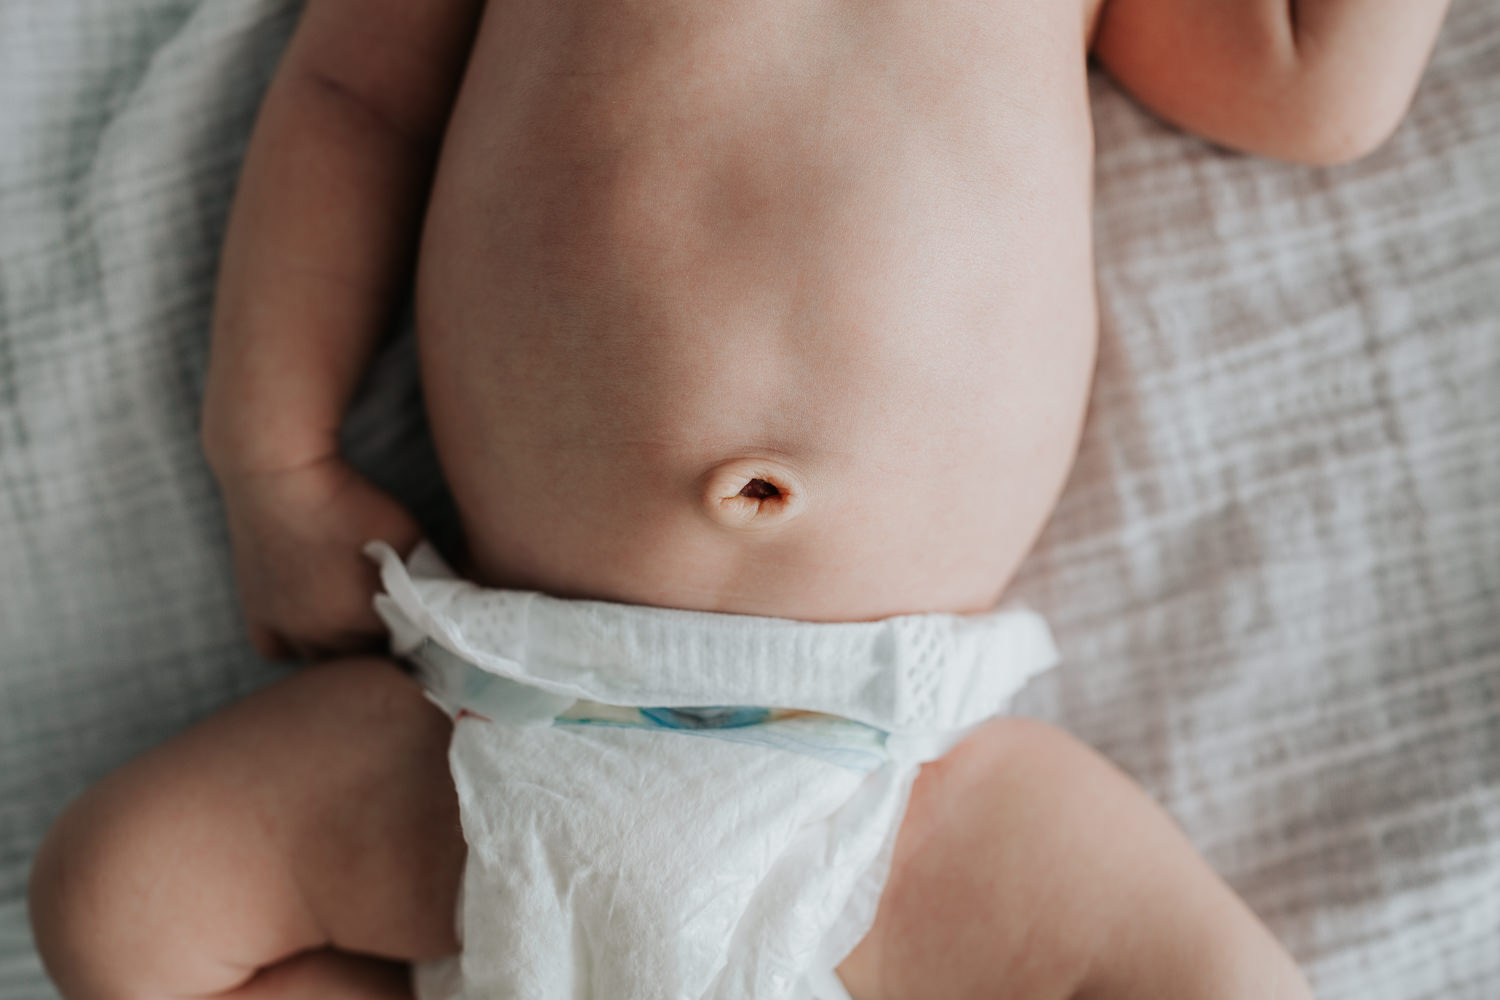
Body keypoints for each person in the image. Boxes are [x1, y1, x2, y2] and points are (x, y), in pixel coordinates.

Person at [29, 0, 1449, 996]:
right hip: (500, 720)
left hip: (906, 789)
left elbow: (1306, 84)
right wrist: (271, 464)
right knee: (118, 899)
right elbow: (351, 100)